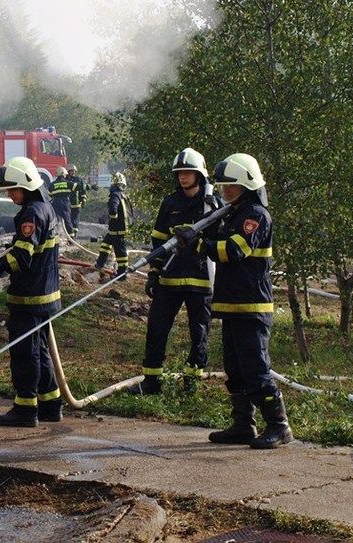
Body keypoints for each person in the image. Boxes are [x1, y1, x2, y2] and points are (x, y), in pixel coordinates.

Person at [193, 153, 293, 449]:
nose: (226, 191)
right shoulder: (233, 213)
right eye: (223, 186)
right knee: (234, 369)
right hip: (232, 305)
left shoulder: (255, 216)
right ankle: (243, 424)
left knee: (255, 367)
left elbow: (234, 250)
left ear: (247, 185)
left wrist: (201, 245)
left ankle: (278, 425)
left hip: (252, 306)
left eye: (231, 186)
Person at [0, 157, 63, 427]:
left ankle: (25, 409)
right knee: (40, 350)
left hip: (30, 298)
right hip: (45, 296)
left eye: (13, 190)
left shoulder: (31, 213)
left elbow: (20, 257)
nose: (9, 196)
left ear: (27, 185)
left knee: (25, 354)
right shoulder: (46, 208)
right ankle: (51, 404)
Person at [128, 148, 220, 396]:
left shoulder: (213, 204)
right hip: (169, 278)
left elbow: (218, 243)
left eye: (188, 172)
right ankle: (151, 381)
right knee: (156, 329)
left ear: (199, 175)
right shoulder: (170, 203)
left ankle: (191, 382)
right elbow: (158, 240)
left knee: (198, 332)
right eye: (179, 173)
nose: (183, 177)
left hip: (200, 281)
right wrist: (153, 273)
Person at [94, 172, 131, 279]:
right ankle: (100, 264)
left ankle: (122, 274)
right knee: (105, 244)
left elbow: (113, 210)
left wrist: (112, 218)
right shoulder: (124, 195)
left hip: (117, 229)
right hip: (119, 228)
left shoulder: (115, 195)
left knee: (120, 253)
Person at [47, 165, 76, 237]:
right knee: (68, 221)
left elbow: (49, 195)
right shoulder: (68, 183)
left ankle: (54, 237)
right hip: (65, 204)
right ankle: (71, 238)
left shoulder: (52, 184)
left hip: (55, 203)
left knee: (54, 221)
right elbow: (77, 188)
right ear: (63, 174)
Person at [66, 163, 88, 236]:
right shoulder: (65, 180)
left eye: (74, 171)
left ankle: (74, 235)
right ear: (68, 171)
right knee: (68, 221)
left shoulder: (79, 179)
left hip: (77, 204)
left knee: (75, 221)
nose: (74, 172)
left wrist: (84, 200)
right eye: (72, 171)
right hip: (68, 204)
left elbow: (83, 190)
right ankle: (70, 235)